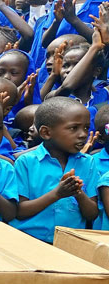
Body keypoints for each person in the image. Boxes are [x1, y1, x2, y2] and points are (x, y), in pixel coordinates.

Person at [12, 98, 98, 242]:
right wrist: (57, 193)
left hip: (69, 244)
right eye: (73, 128)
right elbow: (19, 212)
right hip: (28, 240)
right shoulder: (26, 162)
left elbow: (92, 214)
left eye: (86, 128)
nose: (83, 134)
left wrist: (78, 193)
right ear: (46, 133)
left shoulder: (88, 163)